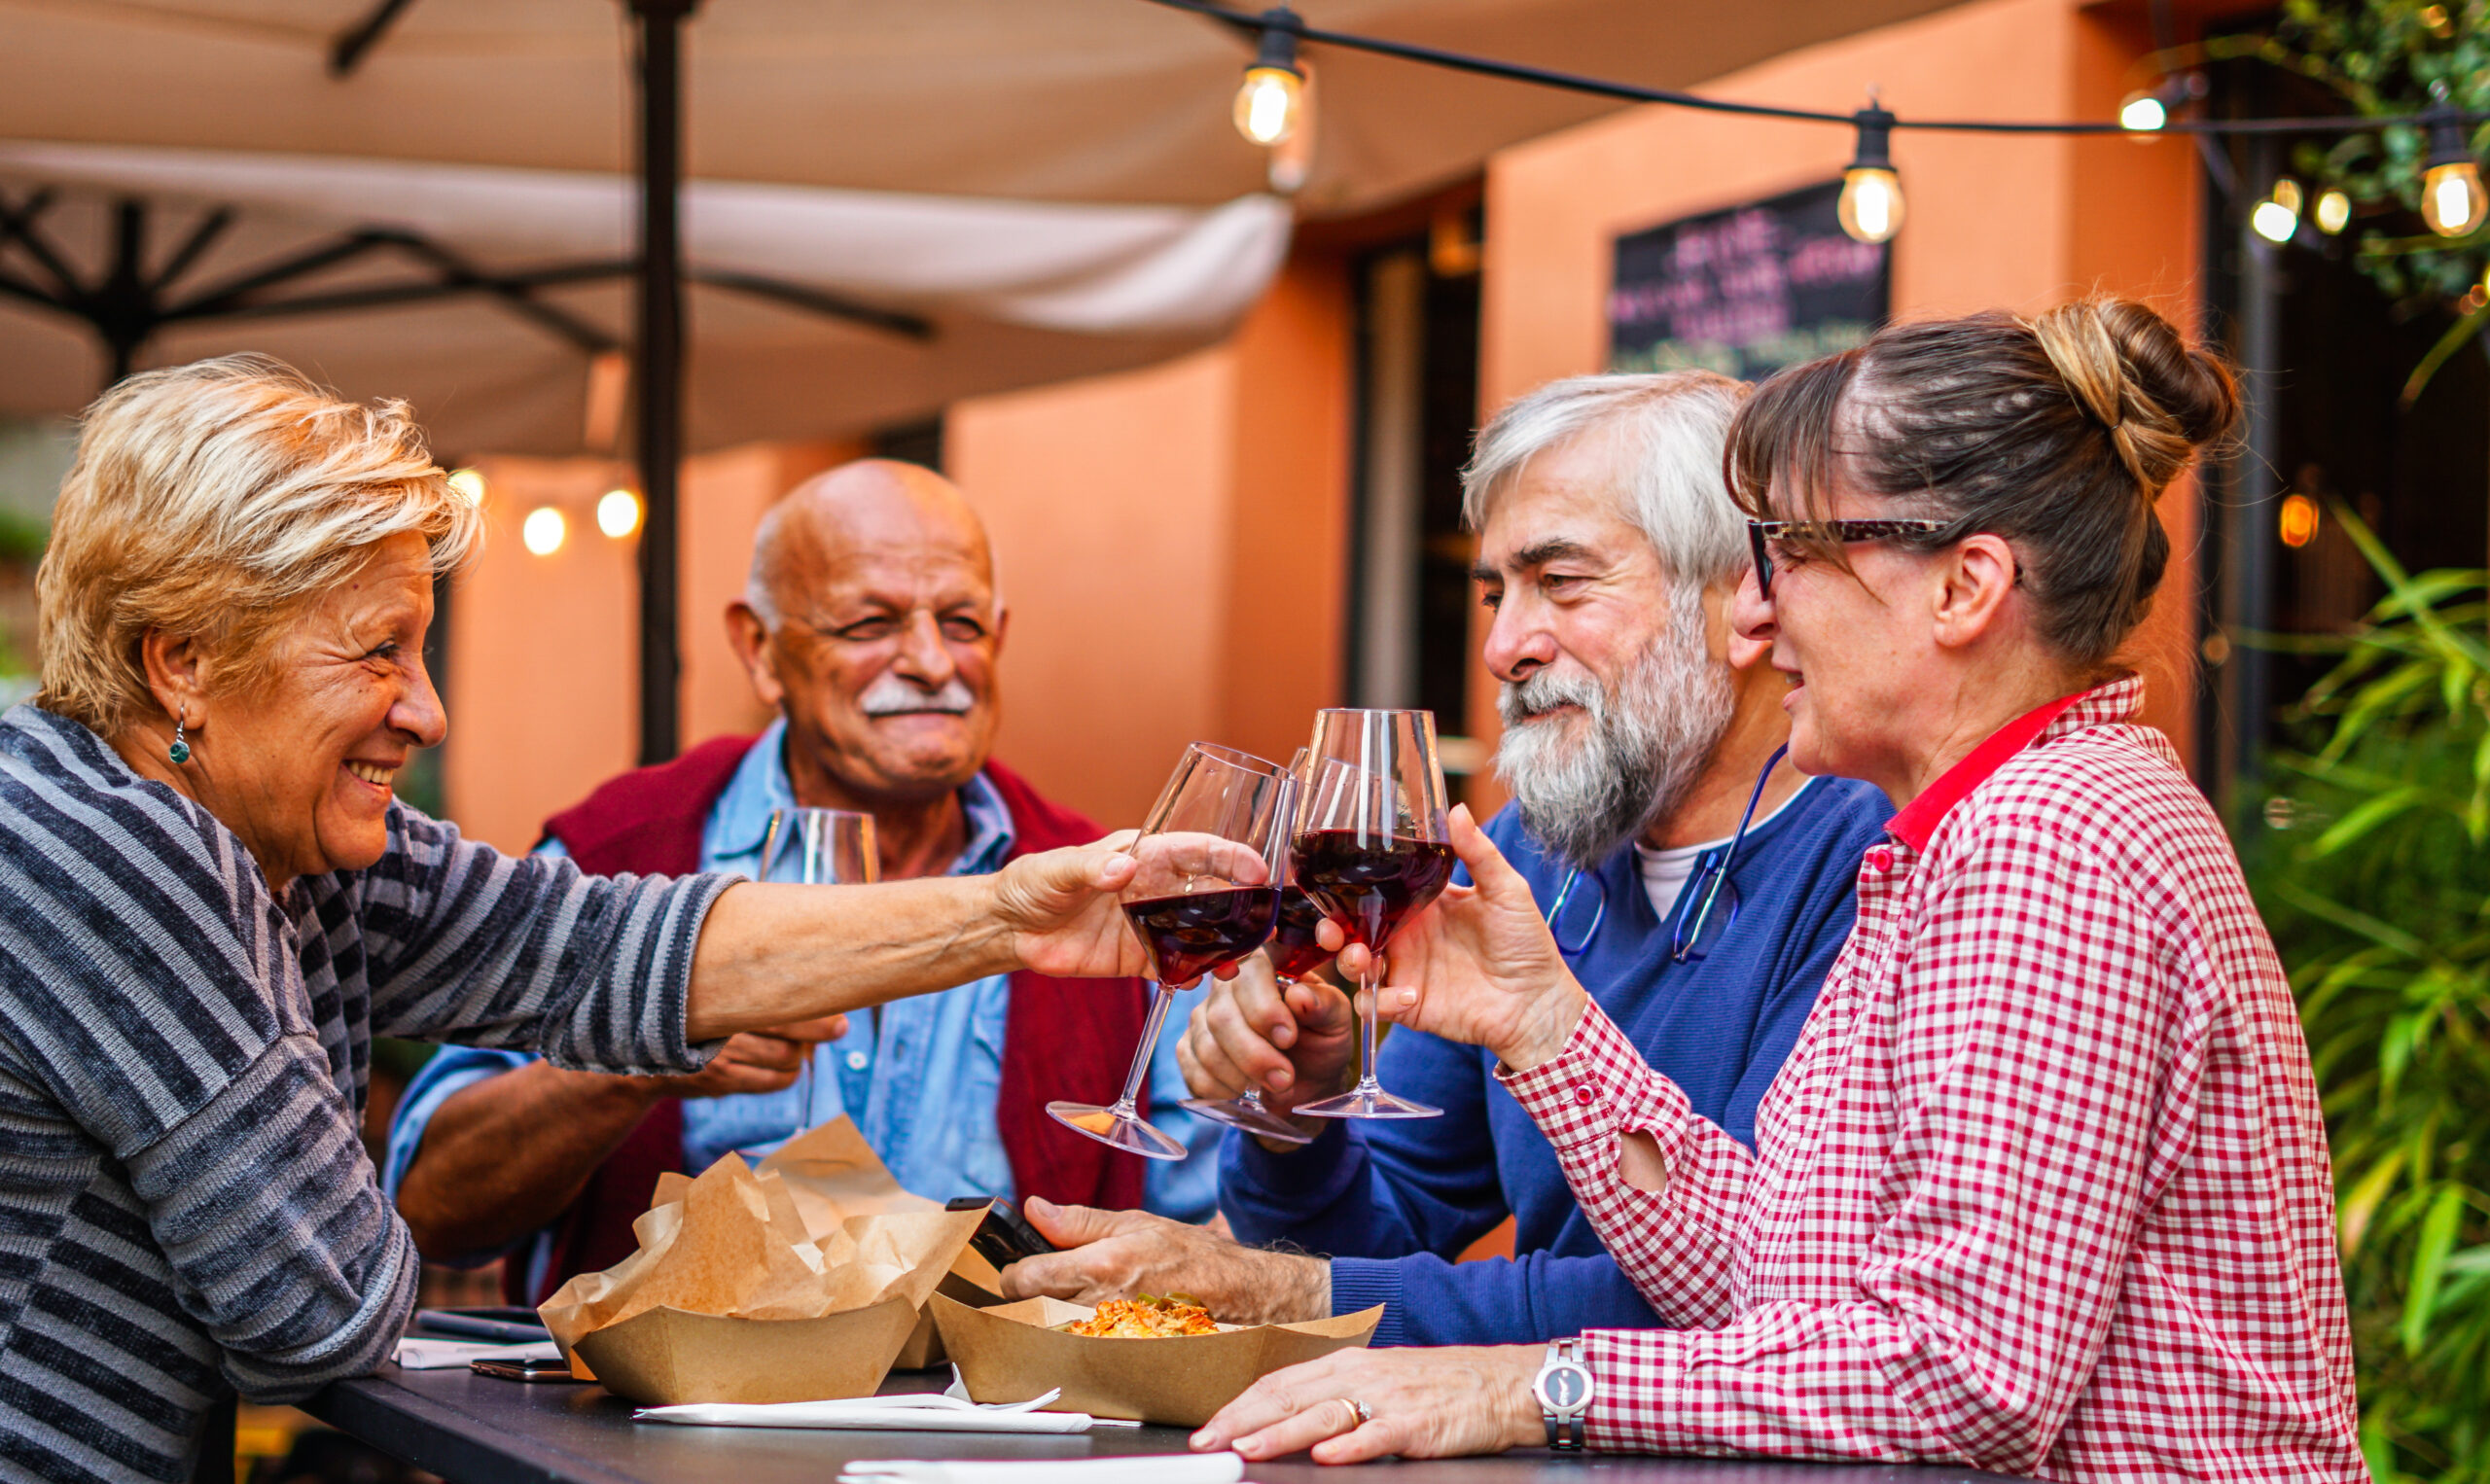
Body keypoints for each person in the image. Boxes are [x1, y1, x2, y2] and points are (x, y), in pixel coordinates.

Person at [1186, 300, 2365, 1481]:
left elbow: (1962, 1378)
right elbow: (1773, 1276)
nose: (1756, 608)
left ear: (1964, 588)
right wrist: (1540, 1023)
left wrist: (1524, 1382)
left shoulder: (2049, 842)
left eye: (1793, 553)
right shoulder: (1965, 833)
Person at [0, 357, 1158, 1484]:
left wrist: (1012, 912)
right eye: (377, 650)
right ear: (185, 660)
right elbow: (323, 1313)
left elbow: (599, 947)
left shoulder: (295, 837)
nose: (428, 710)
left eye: (424, 647)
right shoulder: (102, 855)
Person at [997, 371, 1891, 1346]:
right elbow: (1385, 1229)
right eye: (1495, 593)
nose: (1503, 645)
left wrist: (1288, 1294)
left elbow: (1760, 1297)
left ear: (1743, 599)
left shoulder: (1872, 866)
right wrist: (1298, 1121)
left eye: (1561, 582)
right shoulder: (1528, 856)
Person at [385, 460, 1215, 1305]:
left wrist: (1296, 1101)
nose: (933, 662)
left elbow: (1210, 1226)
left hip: (988, 1430)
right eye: (869, 623)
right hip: (648, 1431)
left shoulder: (1105, 893)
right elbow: (430, 1213)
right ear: (761, 649)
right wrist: (639, 1055)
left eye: (962, 622)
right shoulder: (618, 849)